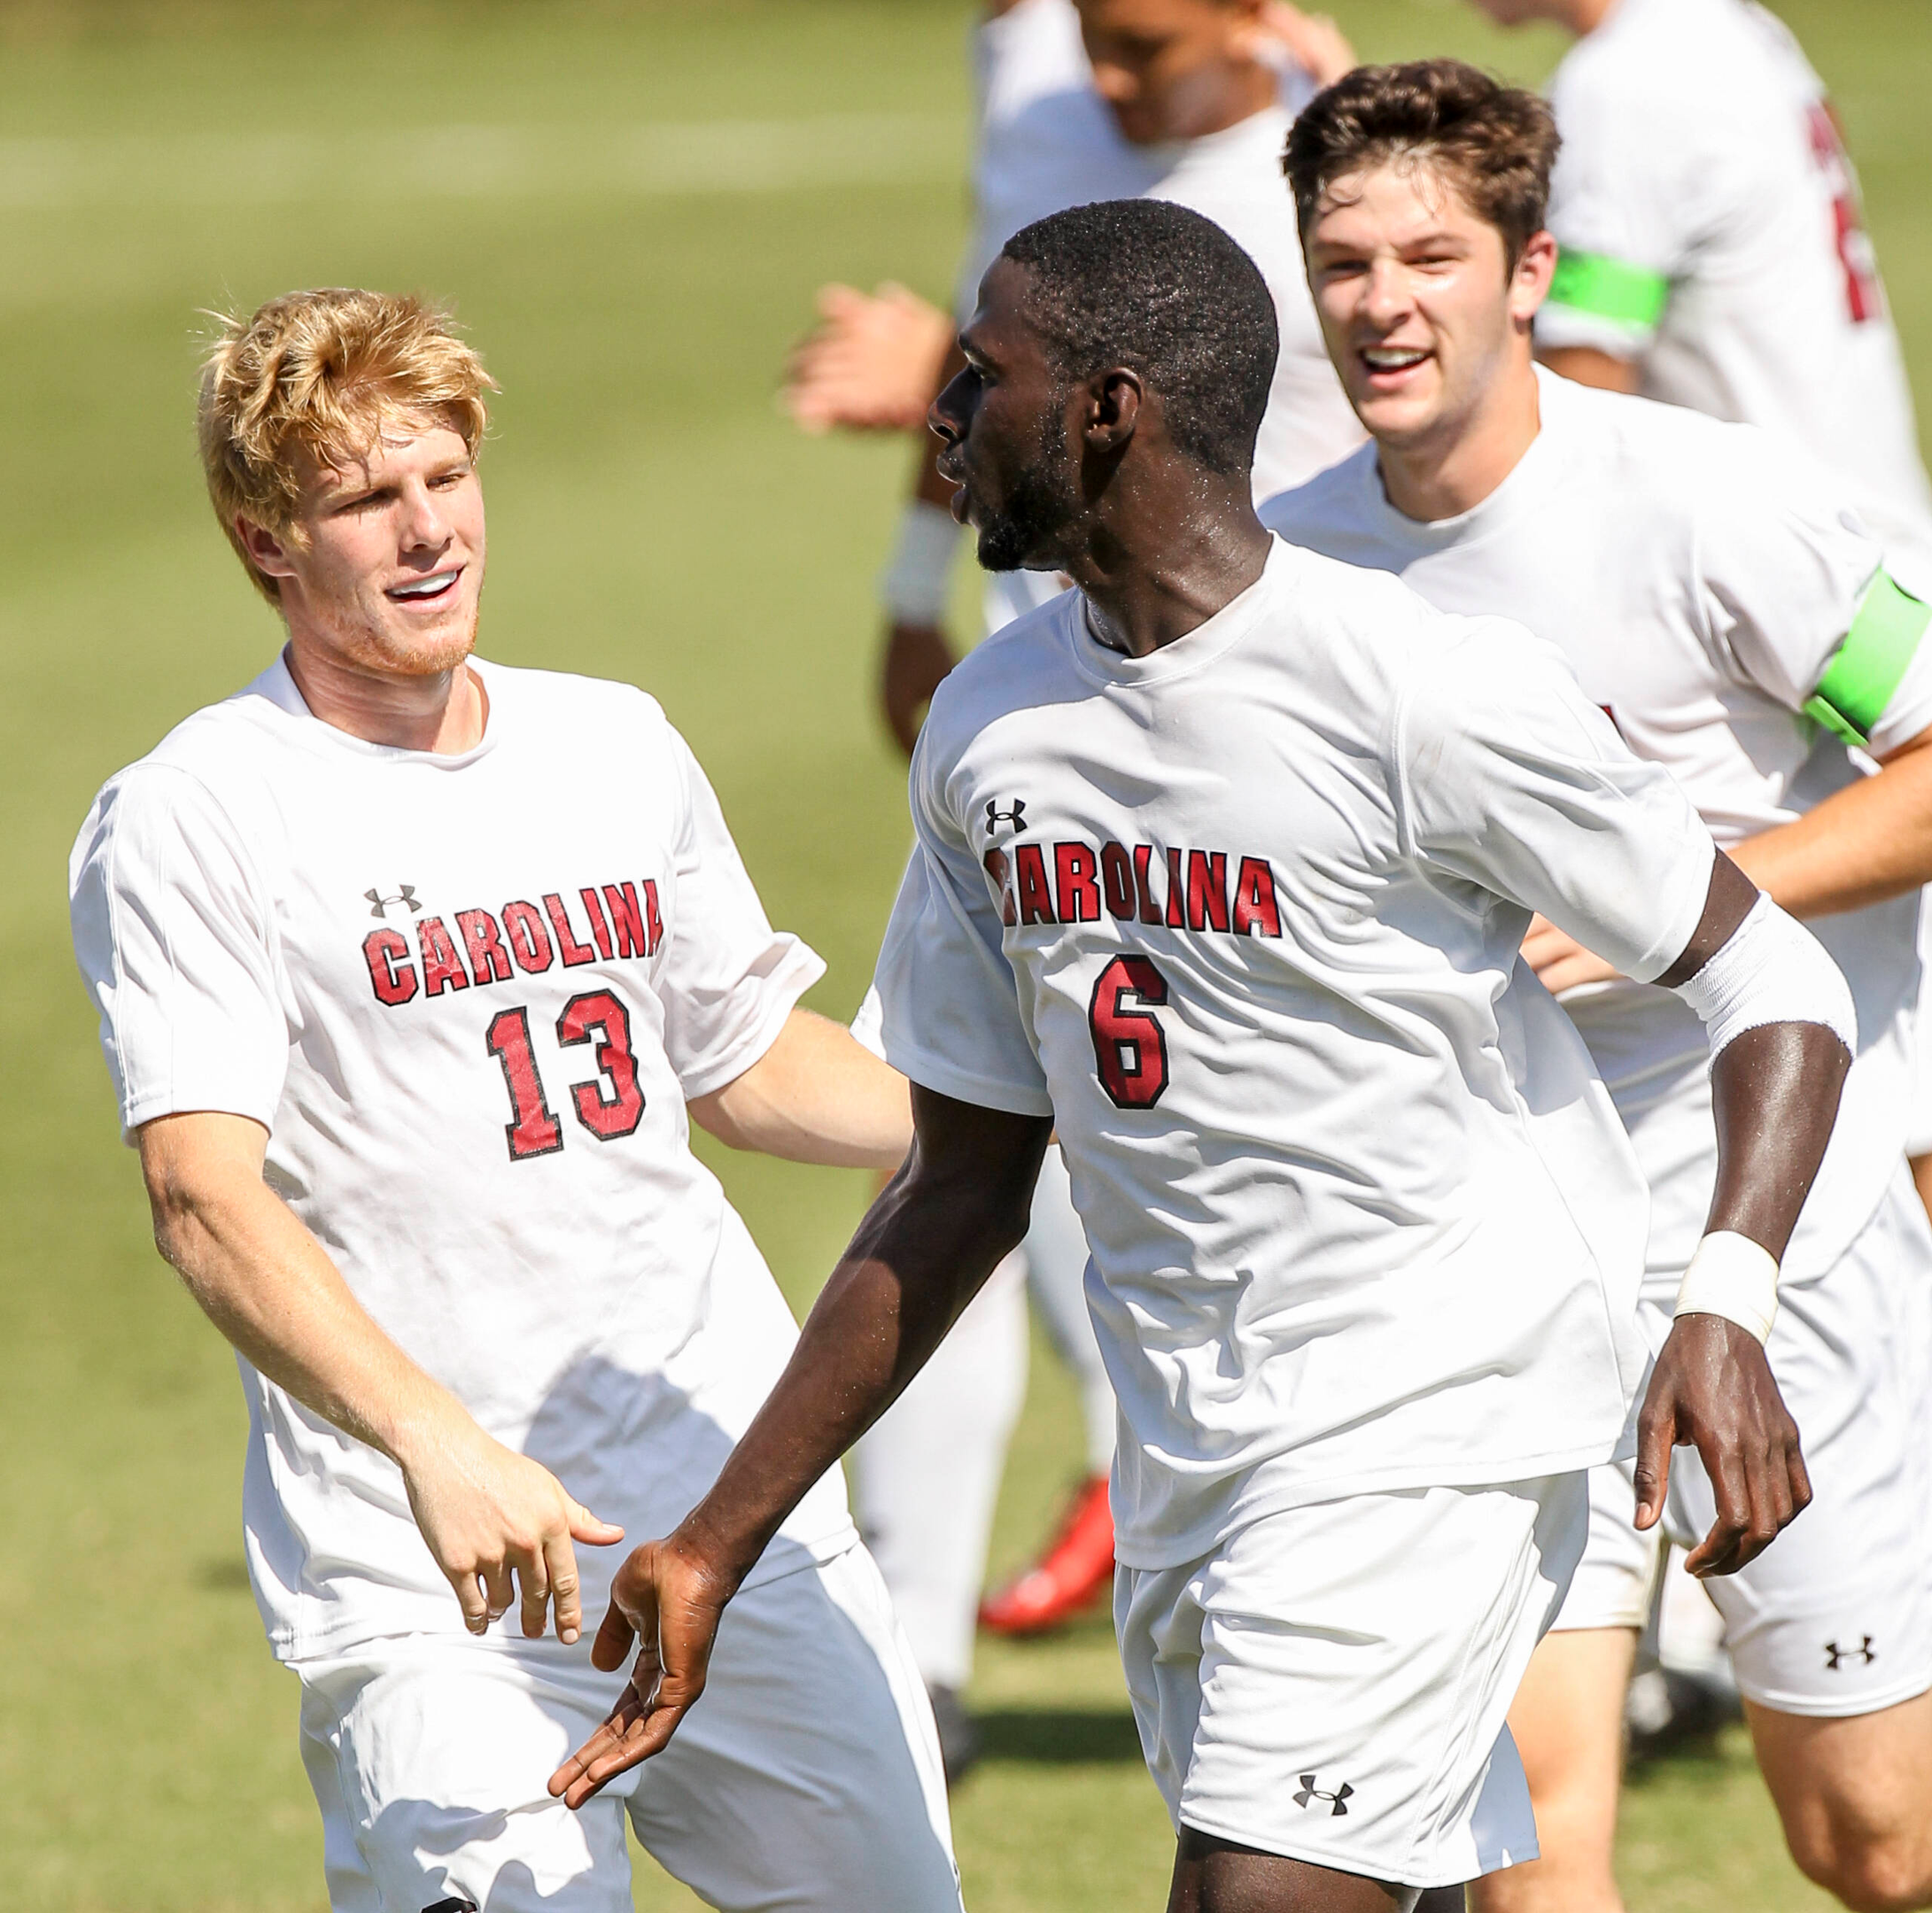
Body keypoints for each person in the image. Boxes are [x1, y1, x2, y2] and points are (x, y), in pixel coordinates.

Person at [548, 197, 1851, 1913]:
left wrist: (1726, 1306)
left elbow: (1774, 980)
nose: (938, 418)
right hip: (1196, 1452)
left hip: (1429, 1418)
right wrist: (721, 1538)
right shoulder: (990, 724)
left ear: (1107, 408)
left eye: (979, 375)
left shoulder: (1409, 689)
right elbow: (959, 1179)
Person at [66, 289, 962, 1913]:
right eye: (361, 499)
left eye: (445, 479)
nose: (425, 534)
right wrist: (434, 1443)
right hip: (442, 1584)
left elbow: (746, 1061)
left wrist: (1016, 1128)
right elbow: (203, 1195)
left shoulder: (611, 741)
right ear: (265, 537)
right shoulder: (198, 810)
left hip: (728, 1517)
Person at [1260, 60, 1932, 1913]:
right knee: (1530, 1840)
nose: (1382, 300)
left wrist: (1674, 906)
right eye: (1341, 261)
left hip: (1772, 1226)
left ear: (1530, 269)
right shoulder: (1296, 562)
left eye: (1427, 254)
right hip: (1479, 1273)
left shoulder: (1710, 504)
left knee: (1872, 1839)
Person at [807, 0, 1370, 1718]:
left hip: (1253, 748)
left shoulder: (1329, 197)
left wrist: (924, 383)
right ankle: (916, 1650)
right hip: (1035, 719)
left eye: (1148, 47)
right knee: (958, 1137)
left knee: (1197, 1166)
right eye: (1092, 37)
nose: (1109, 82)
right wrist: (918, 579)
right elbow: (988, 354)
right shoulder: (1034, 75)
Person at [1466, 0, 1932, 1235]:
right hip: (1852, 596)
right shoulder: (1725, 29)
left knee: (1860, 1148)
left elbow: (1567, 380)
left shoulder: (1632, 78)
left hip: (1793, 657)